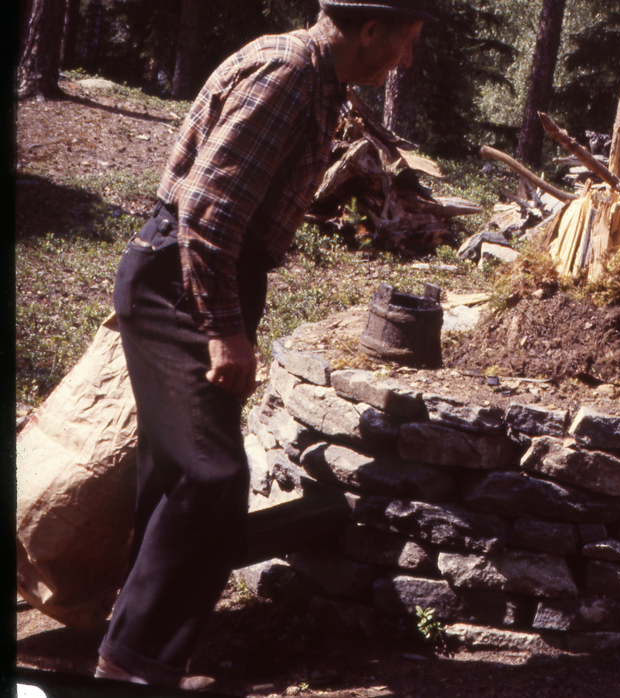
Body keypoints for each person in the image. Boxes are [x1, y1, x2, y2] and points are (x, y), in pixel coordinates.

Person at [95, 0, 434, 688]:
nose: (407, 60)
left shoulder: (317, 78)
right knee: (210, 477)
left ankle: (135, 643)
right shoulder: (287, 73)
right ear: (370, 30)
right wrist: (223, 330)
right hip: (181, 283)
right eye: (405, 44)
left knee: (174, 471)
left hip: (197, 275)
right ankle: (132, 666)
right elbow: (208, 212)